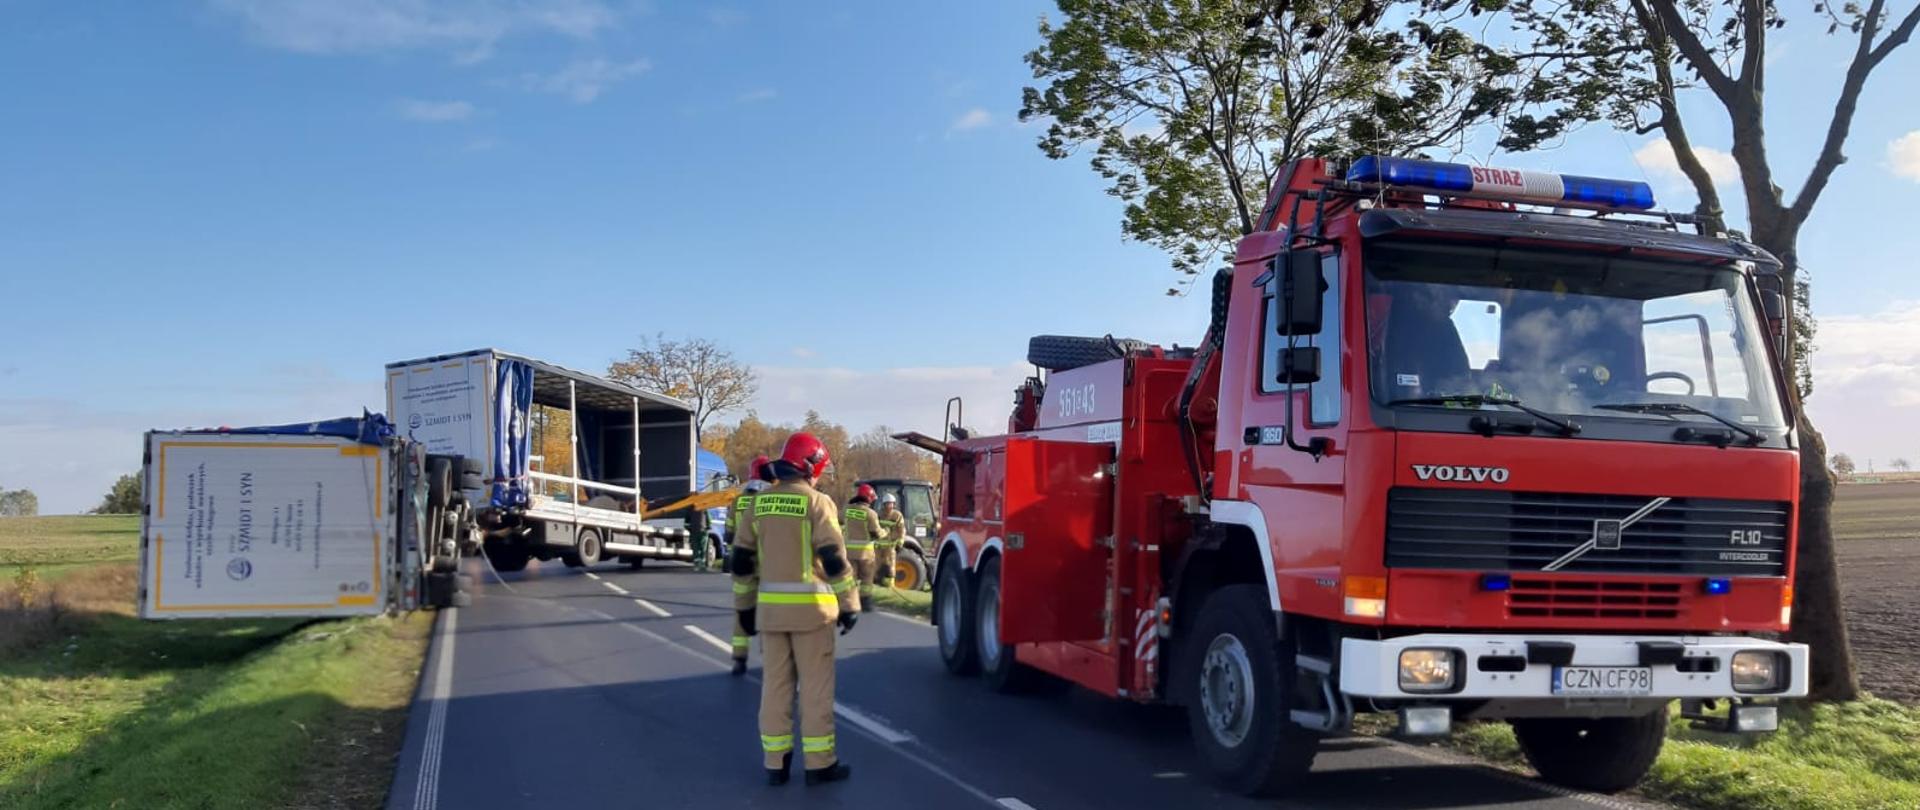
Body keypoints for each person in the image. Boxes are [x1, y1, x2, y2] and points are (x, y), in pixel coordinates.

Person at [731, 433, 859, 786]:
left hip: (770, 616)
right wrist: (849, 604)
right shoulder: (817, 503)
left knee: (775, 688)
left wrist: (744, 609)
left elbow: (741, 561)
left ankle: (776, 764)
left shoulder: (759, 504)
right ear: (811, 467)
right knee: (815, 691)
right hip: (812, 616)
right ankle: (819, 765)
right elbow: (834, 559)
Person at [724, 454, 774, 676]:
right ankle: (770, 660)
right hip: (766, 563)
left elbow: (728, 533)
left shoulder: (738, 501)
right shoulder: (770, 499)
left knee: (741, 611)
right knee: (768, 612)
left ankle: (739, 658)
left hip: (741, 564)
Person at [840, 483, 882, 607]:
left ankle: (849, 602)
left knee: (850, 578)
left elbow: (838, 520)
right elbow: (876, 533)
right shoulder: (870, 513)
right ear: (869, 498)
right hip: (866, 554)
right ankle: (865, 603)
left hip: (849, 553)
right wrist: (885, 532)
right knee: (866, 579)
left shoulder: (847, 510)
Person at [875, 494, 906, 591]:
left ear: (894, 504)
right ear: (883, 504)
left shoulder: (897, 515)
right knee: (877, 566)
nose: (889, 506)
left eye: (891, 504)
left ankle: (890, 586)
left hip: (890, 546)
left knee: (891, 566)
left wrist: (900, 542)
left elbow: (902, 530)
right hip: (878, 547)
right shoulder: (878, 515)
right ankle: (877, 584)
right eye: (887, 504)